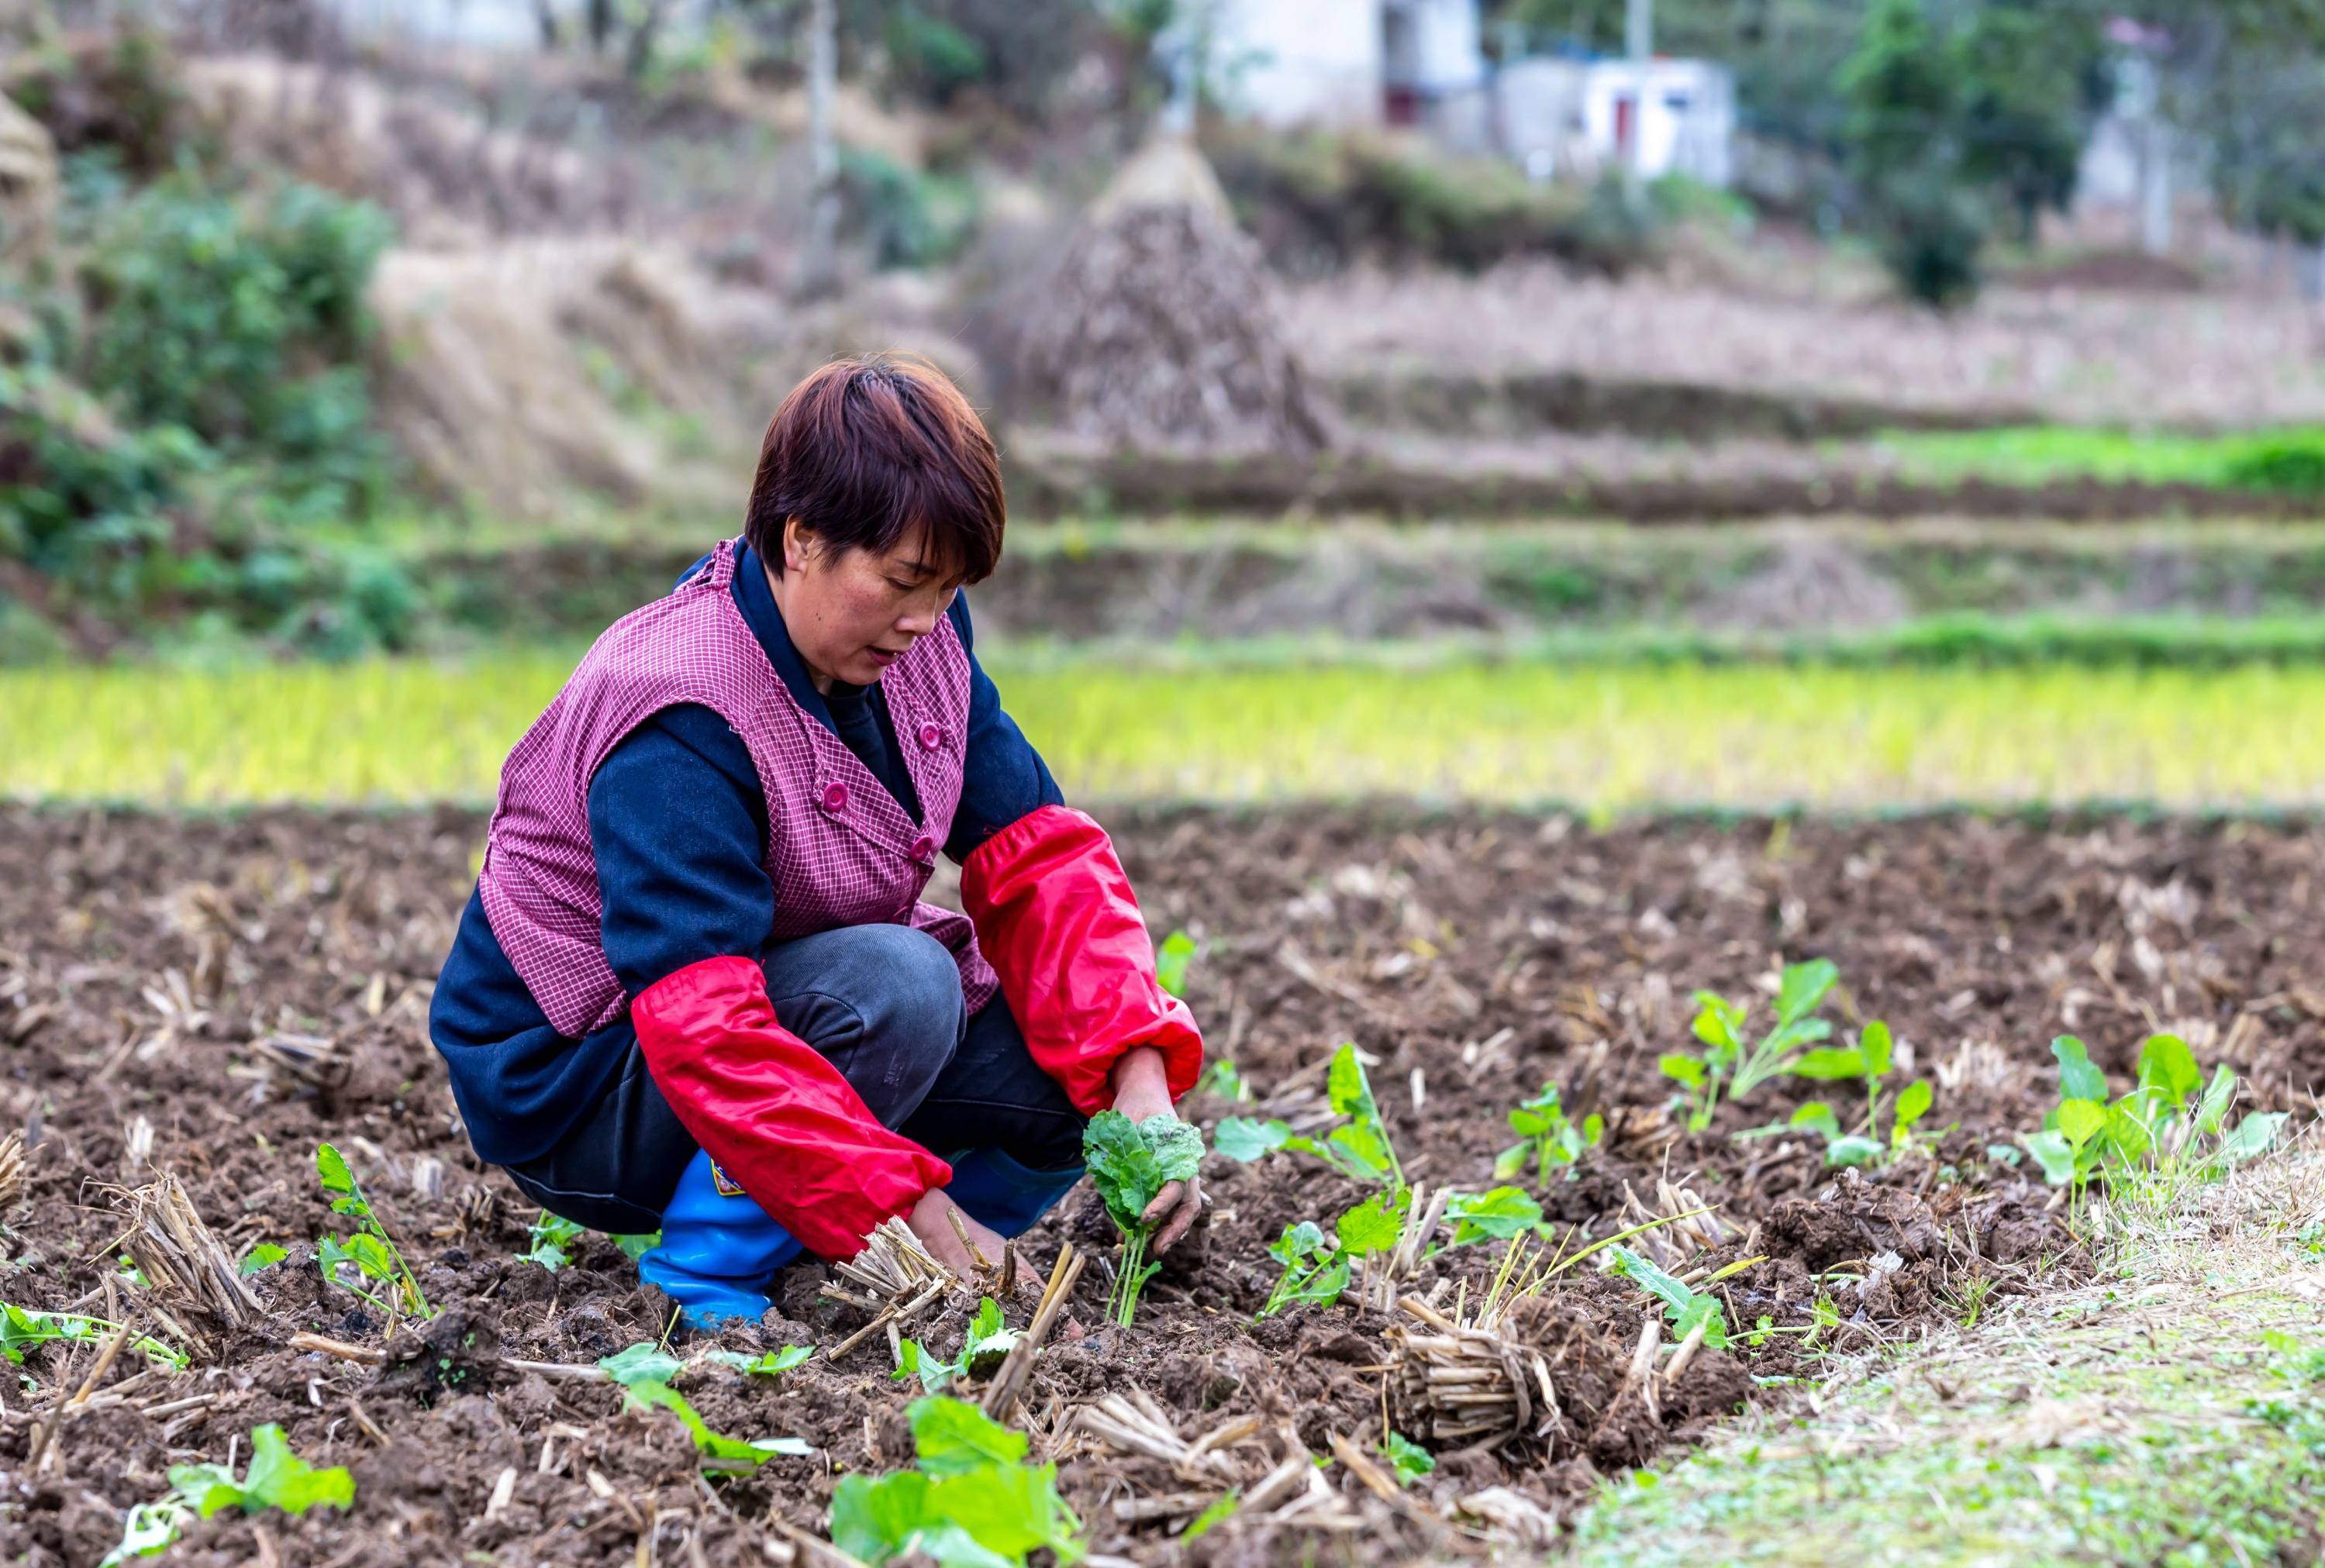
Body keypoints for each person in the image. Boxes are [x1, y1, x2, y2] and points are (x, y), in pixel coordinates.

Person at [428, 354, 1204, 1325]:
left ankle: (888, 1275)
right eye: (902, 582)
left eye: (948, 587)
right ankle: (710, 1282)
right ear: (800, 540)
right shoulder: (681, 707)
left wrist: (1138, 1084)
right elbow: (702, 1025)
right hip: (581, 1080)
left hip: (762, 1011)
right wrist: (904, 1203)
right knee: (899, 983)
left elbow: (1041, 859)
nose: (925, 620)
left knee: (1065, 1063)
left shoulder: (918, 646)